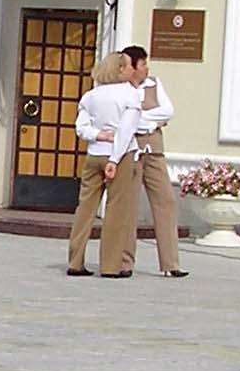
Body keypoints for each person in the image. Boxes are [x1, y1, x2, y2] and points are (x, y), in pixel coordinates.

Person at [66, 51, 144, 278]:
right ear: (120, 69)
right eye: (128, 66)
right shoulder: (130, 94)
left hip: (93, 154)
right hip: (119, 155)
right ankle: (110, 265)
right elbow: (127, 131)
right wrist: (114, 159)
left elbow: (81, 128)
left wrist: (99, 135)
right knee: (116, 210)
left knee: (85, 209)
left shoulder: (91, 95)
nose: (132, 70)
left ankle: (75, 260)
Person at [121, 43, 187, 280]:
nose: (147, 68)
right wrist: (149, 121)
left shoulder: (155, 84)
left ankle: (170, 262)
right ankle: (124, 262)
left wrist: (142, 120)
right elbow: (122, 119)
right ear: (133, 66)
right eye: (143, 63)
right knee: (128, 206)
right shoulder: (119, 88)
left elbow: (167, 111)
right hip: (130, 151)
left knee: (165, 201)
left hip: (154, 151)